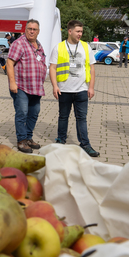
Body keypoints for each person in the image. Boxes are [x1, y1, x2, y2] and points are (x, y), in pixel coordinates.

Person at [49, 20, 100, 157]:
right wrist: (55, 86)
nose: (80, 34)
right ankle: (60, 141)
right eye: (78, 31)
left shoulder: (85, 47)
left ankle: (85, 145)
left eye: (81, 32)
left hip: (82, 90)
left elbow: (92, 67)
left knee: (81, 118)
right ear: (69, 31)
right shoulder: (58, 47)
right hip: (64, 89)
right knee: (63, 117)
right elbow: (52, 68)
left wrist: (91, 87)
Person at [6, 19, 47, 154]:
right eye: (29, 28)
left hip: (36, 87)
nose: (32, 31)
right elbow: (10, 63)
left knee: (34, 113)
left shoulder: (39, 45)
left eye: (34, 29)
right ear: (25, 29)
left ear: (38, 31)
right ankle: (21, 140)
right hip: (21, 86)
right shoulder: (19, 44)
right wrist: (12, 82)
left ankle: (28, 138)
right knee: (22, 113)